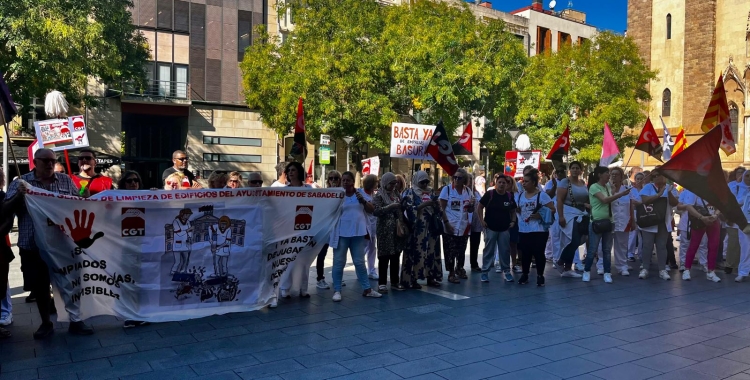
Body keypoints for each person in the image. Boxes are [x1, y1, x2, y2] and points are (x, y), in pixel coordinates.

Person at [4, 148, 93, 339]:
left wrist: (85, 201)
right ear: (35, 162)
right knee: (40, 286)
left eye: (53, 160)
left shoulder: (65, 181)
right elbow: (4, 210)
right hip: (32, 245)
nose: (50, 164)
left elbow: (76, 204)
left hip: (62, 245)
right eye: (45, 161)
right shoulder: (21, 182)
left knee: (70, 283)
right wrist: (18, 197)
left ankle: (76, 320)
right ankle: (46, 323)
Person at [329, 171, 382, 301]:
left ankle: (367, 289)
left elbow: (371, 210)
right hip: (341, 233)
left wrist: (362, 200)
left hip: (358, 233)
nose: (345, 182)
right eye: (344, 180)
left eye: (348, 180)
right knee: (338, 262)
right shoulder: (337, 195)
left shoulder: (360, 193)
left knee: (359, 262)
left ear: (353, 181)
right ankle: (337, 290)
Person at [583, 167, 631, 283]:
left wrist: (614, 190)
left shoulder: (608, 187)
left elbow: (610, 198)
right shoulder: (594, 187)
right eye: (606, 173)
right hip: (597, 221)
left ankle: (607, 272)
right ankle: (587, 271)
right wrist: (620, 194)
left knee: (606, 249)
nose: (609, 176)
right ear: (599, 175)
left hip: (609, 222)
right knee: (593, 249)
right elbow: (605, 200)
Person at [401, 171, 442, 288]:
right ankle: (412, 279)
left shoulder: (431, 192)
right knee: (416, 252)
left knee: (431, 252)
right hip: (417, 228)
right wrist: (425, 204)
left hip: (431, 227)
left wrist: (435, 205)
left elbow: (438, 208)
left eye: (426, 182)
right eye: (422, 182)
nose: (424, 184)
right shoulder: (410, 192)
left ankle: (431, 276)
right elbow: (408, 209)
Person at [636, 171, 678, 280]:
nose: (657, 177)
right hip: (649, 221)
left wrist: (668, 193)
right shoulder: (648, 187)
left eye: (660, 175)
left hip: (663, 222)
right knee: (647, 245)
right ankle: (645, 268)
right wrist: (658, 195)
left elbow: (675, 203)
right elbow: (644, 200)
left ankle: (662, 269)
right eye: (655, 176)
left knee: (661, 246)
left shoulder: (670, 188)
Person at [515, 169, 554, 286]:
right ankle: (525, 274)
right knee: (525, 253)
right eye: (523, 181)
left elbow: (553, 209)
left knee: (538, 253)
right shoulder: (520, 195)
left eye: (526, 181)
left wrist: (540, 214)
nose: (524, 183)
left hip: (539, 230)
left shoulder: (542, 196)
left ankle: (540, 275)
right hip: (524, 229)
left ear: (533, 182)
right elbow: (518, 209)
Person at [279, 162, 312, 299]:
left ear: (299, 172)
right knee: (289, 260)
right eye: (289, 171)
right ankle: (284, 288)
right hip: (288, 229)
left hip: (305, 226)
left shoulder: (308, 189)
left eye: (293, 170)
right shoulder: (284, 191)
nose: (291, 173)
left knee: (304, 260)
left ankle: (303, 289)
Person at [477, 174, 516, 282]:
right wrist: (482, 221)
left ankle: (507, 271)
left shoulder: (509, 196)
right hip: (490, 227)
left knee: (505, 251)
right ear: (496, 183)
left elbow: (513, 211)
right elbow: (479, 207)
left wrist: (513, 221)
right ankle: (485, 272)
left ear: (507, 184)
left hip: (504, 229)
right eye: (500, 182)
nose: (502, 184)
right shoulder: (490, 194)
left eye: (504, 183)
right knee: (489, 251)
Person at [439, 168, 474, 284]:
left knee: (461, 249)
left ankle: (459, 268)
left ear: (464, 179)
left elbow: (470, 209)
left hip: (463, 226)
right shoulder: (447, 190)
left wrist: (471, 206)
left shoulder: (468, 191)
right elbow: (441, 209)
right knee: (450, 250)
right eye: (455, 177)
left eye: (459, 178)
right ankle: (451, 273)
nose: (456, 180)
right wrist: (446, 223)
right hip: (451, 225)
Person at [373, 172, 406, 292]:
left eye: (395, 183)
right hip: (384, 230)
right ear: (385, 183)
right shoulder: (379, 195)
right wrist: (390, 207)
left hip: (396, 229)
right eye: (391, 183)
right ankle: (382, 282)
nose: (393, 186)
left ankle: (394, 281)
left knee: (396, 255)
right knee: (384, 256)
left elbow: (401, 207)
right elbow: (375, 211)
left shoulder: (396, 193)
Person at [681, 189, 722, 282]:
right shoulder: (694, 189)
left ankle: (711, 271)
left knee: (714, 245)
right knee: (694, 244)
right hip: (700, 220)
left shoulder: (715, 187)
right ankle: (687, 270)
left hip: (713, 220)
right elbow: (689, 206)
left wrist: (716, 215)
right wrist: (702, 217)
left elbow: (720, 204)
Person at [555, 161, 588, 278]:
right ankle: (560, 261)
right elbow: (559, 200)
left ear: (581, 170)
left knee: (578, 240)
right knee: (574, 239)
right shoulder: (565, 182)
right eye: (573, 168)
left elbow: (585, 198)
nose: (575, 170)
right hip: (569, 212)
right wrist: (561, 216)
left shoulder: (582, 182)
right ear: (570, 170)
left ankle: (567, 268)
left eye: (577, 168)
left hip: (581, 212)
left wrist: (586, 205)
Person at [315, 171, 342, 290]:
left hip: (338, 227)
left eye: (336, 178)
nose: (333, 180)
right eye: (331, 178)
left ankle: (337, 278)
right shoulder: (324, 193)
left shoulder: (343, 192)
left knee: (339, 254)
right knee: (322, 254)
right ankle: (320, 278)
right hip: (326, 227)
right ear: (328, 180)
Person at [610, 167, 637, 276]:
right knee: (605, 245)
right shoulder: (606, 189)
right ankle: (602, 265)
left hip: (624, 221)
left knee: (622, 245)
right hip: (610, 221)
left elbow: (631, 206)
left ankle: (622, 266)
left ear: (621, 177)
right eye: (612, 174)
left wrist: (633, 221)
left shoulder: (627, 189)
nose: (614, 176)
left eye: (616, 174)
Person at [726, 167, 745, 274]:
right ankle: (729, 265)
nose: (741, 175)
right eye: (739, 173)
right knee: (732, 243)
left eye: (743, 173)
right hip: (733, 218)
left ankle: (743, 265)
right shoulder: (731, 185)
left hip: (745, 219)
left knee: (745, 244)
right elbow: (728, 200)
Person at [545, 167, 567, 263]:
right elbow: (548, 195)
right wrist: (554, 186)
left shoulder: (568, 182)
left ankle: (569, 259)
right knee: (555, 236)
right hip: (554, 211)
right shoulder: (550, 183)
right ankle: (556, 258)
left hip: (566, 211)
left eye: (562, 171)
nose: (559, 173)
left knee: (567, 237)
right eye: (557, 172)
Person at [361, 174, 380, 280]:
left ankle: (371, 270)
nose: (377, 183)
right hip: (364, 225)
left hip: (374, 225)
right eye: (376, 182)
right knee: (363, 249)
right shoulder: (361, 193)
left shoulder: (375, 194)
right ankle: (361, 271)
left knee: (372, 249)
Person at [735, 170, 750, 282]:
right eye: (747, 176)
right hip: (744, 223)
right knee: (745, 248)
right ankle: (742, 272)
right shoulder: (737, 188)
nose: (749, 178)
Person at [468, 174, 485, 273]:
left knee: (475, 243)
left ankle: (474, 263)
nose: (470, 182)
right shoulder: (465, 192)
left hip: (476, 221)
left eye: (471, 180)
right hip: (466, 221)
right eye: (468, 180)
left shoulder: (477, 193)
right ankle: (459, 266)